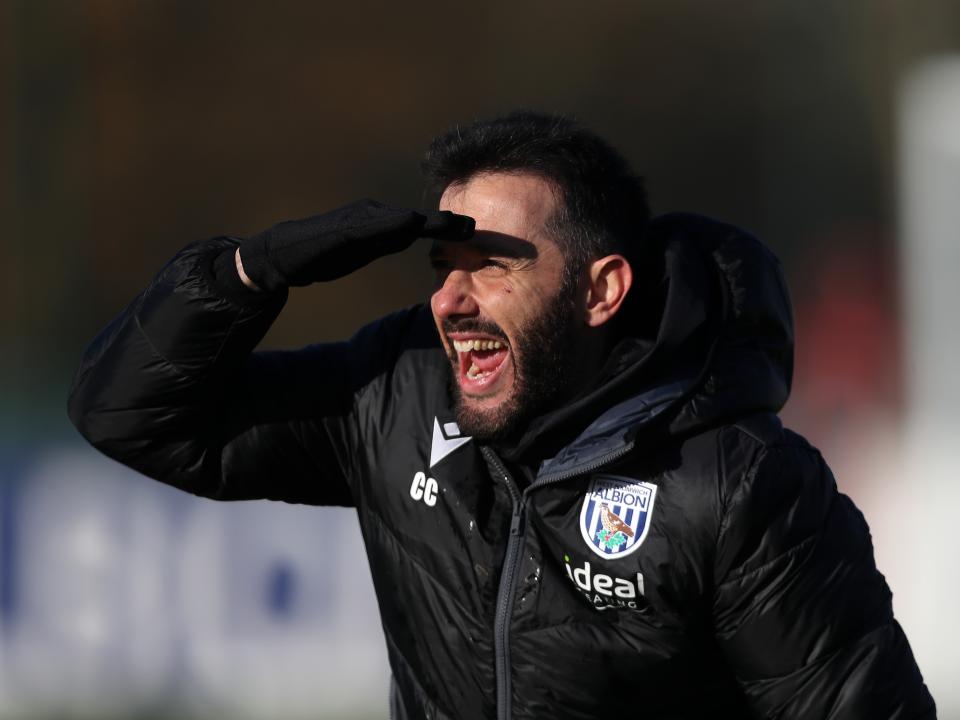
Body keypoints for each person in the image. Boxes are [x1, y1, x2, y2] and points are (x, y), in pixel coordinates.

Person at [68, 112, 935, 720]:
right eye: (445, 263)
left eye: (492, 264)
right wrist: (247, 273)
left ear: (601, 291)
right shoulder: (394, 389)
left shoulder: (735, 483)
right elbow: (129, 417)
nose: (451, 297)